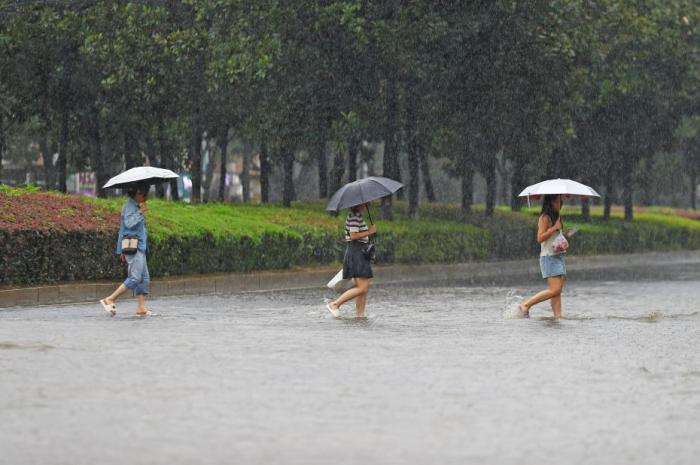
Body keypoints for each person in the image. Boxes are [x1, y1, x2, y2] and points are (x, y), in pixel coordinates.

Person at [519, 194, 575, 318]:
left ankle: (557, 317)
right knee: (555, 290)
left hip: (558, 256)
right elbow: (540, 238)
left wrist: (563, 234)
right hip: (549, 257)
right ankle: (526, 305)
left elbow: (552, 238)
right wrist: (554, 228)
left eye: (560, 202)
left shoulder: (556, 217)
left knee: (557, 292)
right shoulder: (545, 217)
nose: (559, 205)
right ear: (550, 202)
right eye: (556, 202)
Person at [100, 182, 151, 317]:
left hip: (139, 247)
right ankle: (110, 299)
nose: (146, 198)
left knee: (144, 278)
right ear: (138, 193)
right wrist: (140, 212)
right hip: (134, 248)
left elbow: (125, 229)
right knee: (134, 278)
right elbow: (128, 224)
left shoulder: (135, 205)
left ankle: (141, 307)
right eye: (145, 195)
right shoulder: (130, 206)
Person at [326, 203, 376, 318]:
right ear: (359, 203)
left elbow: (360, 237)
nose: (367, 204)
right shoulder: (354, 216)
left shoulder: (357, 215)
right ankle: (334, 304)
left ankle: (360, 315)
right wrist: (369, 231)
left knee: (362, 289)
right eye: (365, 202)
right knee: (362, 287)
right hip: (356, 253)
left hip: (360, 252)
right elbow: (353, 236)